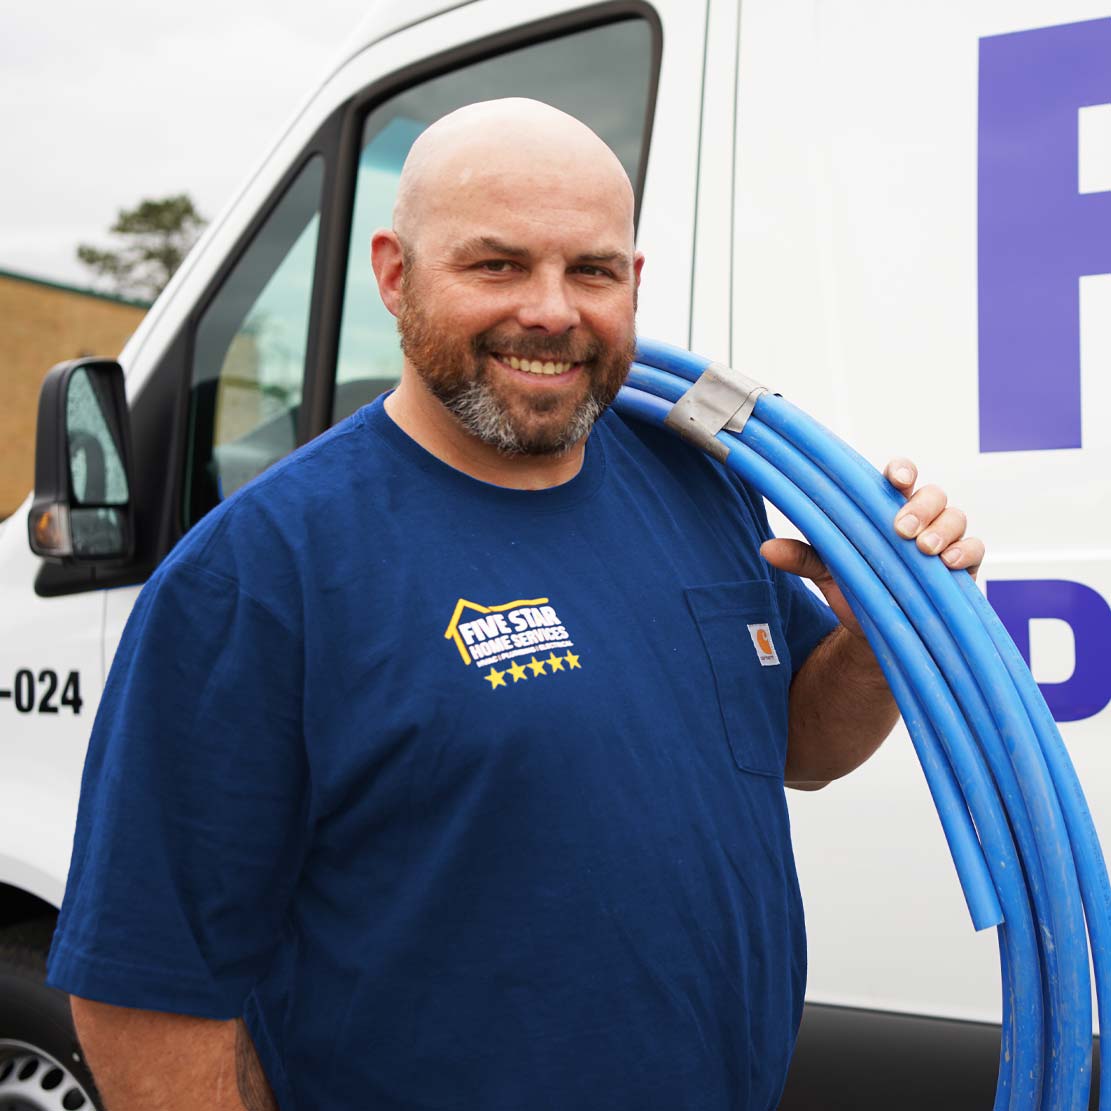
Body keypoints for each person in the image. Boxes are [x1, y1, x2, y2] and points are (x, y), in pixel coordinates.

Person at [46, 99, 983, 1111]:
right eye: (496, 265)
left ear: (634, 280)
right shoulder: (261, 575)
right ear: (394, 273)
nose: (550, 310)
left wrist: (878, 629)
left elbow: (802, 742)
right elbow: (143, 986)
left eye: (591, 269)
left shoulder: (700, 482)